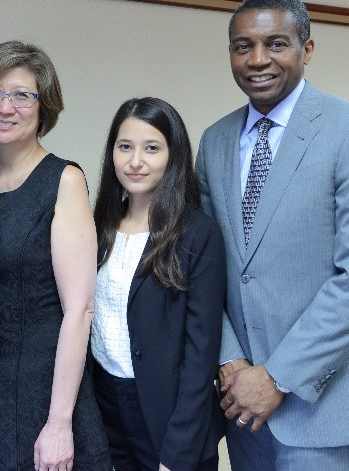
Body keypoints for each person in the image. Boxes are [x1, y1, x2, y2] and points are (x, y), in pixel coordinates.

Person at [196, 0, 349, 470]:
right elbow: (206, 266)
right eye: (242, 46)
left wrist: (277, 377)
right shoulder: (215, 141)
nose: (258, 59)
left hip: (324, 401)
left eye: (276, 43)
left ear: (306, 50)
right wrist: (231, 365)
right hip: (241, 403)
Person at [0, 40, 110, 470]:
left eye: (21, 95)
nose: (5, 107)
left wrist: (59, 423)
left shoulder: (63, 180)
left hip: (46, 391)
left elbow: (79, 309)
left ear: (44, 107)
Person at [91, 97, 226, 471]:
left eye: (152, 148)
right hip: (105, 405)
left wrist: (178, 452)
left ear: (173, 155)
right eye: (125, 147)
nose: (136, 161)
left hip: (169, 415)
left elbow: (201, 355)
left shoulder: (198, 234)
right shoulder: (99, 226)